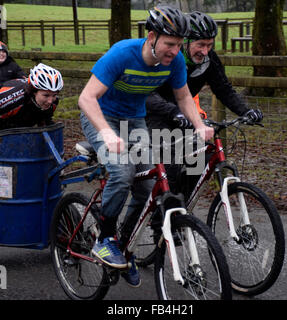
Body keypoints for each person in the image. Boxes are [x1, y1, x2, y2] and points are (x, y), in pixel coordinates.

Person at [78, 6, 214, 287]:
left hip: (133, 119)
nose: (175, 51)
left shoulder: (174, 62)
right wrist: (106, 134)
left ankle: (123, 248)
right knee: (123, 172)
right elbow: (86, 98)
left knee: (146, 185)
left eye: (178, 45)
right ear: (151, 36)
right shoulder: (122, 53)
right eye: (169, 44)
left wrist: (199, 126)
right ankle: (104, 239)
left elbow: (184, 97)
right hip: (100, 116)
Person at [145, 11, 263, 198]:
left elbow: (224, 90)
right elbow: (147, 95)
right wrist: (173, 112)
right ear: (185, 41)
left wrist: (247, 111)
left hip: (185, 114)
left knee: (202, 158)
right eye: (200, 44)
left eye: (209, 45)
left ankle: (181, 209)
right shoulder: (167, 57)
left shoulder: (208, 60)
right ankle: (162, 218)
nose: (205, 51)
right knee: (170, 166)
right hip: (155, 114)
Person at [0, 63, 63, 148]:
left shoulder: (53, 102)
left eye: (54, 95)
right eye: (46, 95)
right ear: (34, 92)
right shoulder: (13, 98)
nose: (50, 101)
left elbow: (44, 120)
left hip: (11, 118)